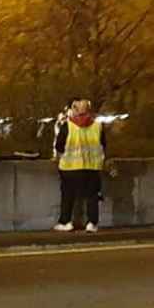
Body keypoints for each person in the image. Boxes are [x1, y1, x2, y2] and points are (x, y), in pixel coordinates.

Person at [53, 96, 106, 232]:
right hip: (92, 167)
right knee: (92, 196)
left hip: (70, 168)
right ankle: (92, 223)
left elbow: (59, 146)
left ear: (74, 110)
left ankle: (66, 222)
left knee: (68, 195)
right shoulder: (97, 126)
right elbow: (103, 145)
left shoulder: (68, 126)